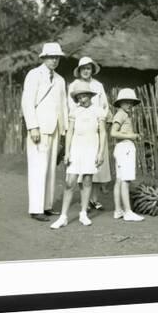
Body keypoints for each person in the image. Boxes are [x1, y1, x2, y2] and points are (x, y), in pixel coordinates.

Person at [21, 42, 68, 222]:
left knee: (50, 169)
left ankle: (46, 205)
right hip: (39, 128)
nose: (54, 60)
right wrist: (32, 127)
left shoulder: (60, 79)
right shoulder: (34, 75)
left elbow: (63, 106)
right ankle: (35, 208)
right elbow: (27, 102)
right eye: (51, 57)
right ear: (44, 58)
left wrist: (64, 130)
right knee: (38, 167)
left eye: (57, 57)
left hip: (55, 127)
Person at [51, 82, 106, 229]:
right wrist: (67, 152)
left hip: (91, 148)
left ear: (90, 96)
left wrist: (100, 152)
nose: (82, 99)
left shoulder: (98, 111)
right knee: (70, 182)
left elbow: (103, 133)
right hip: (76, 148)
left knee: (87, 180)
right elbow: (69, 133)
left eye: (85, 95)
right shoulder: (74, 112)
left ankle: (83, 213)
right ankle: (63, 217)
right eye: (79, 96)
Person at [67, 56, 111, 210]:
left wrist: (101, 119)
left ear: (92, 69)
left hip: (96, 126)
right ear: (79, 70)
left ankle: (94, 199)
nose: (86, 71)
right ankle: (83, 199)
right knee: (80, 166)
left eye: (88, 68)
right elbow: (71, 106)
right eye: (83, 68)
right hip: (81, 126)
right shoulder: (74, 85)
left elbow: (105, 105)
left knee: (97, 164)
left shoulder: (98, 86)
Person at [110, 88, 144, 222]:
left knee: (119, 180)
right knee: (125, 180)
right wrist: (133, 136)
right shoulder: (121, 114)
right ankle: (128, 211)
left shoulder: (124, 114)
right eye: (126, 102)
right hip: (125, 147)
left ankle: (118, 210)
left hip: (122, 147)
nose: (129, 104)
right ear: (120, 103)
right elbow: (113, 132)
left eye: (131, 102)